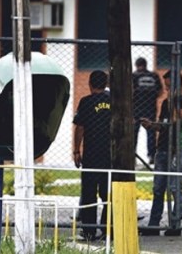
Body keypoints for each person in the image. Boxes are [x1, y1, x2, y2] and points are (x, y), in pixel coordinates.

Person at [141, 70, 182, 236]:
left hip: (178, 149)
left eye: (169, 87)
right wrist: (152, 125)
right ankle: (153, 224)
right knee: (158, 188)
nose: (166, 90)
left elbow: (180, 118)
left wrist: (173, 102)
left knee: (175, 187)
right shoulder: (165, 103)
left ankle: (175, 224)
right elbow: (164, 123)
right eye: (165, 87)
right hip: (163, 148)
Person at [73, 69, 111, 241]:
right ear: (106, 84)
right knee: (108, 192)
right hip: (110, 154)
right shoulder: (114, 101)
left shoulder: (86, 102)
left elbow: (80, 127)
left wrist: (76, 150)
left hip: (91, 154)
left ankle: (89, 231)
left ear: (90, 84)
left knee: (89, 193)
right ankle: (107, 229)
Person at [132, 57, 162, 164]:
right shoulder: (153, 75)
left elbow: (130, 91)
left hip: (136, 109)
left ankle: (132, 155)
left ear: (137, 65)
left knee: (133, 133)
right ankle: (152, 156)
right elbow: (160, 91)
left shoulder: (134, 76)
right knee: (151, 133)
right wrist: (151, 97)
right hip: (150, 108)